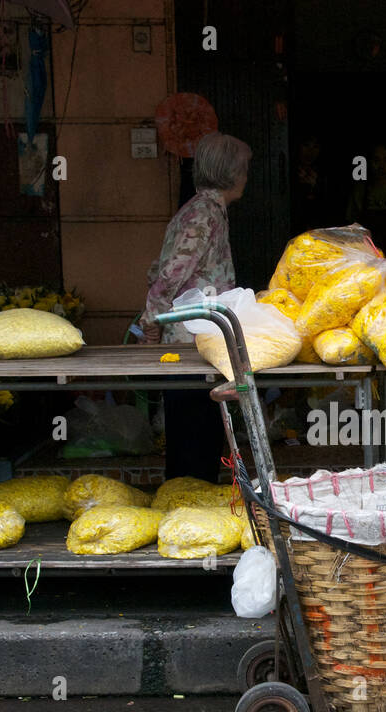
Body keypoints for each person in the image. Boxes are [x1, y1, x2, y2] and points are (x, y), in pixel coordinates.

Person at [137, 132, 252, 483]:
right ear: (229, 173)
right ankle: (185, 509)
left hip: (199, 343)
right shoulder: (203, 214)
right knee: (193, 440)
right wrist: (150, 324)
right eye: (244, 169)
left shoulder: (207, 210)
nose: (247, 176)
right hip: (187, 345)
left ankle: (191, 507)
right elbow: (169, 274)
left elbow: (160, 268)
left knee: (202, 436)